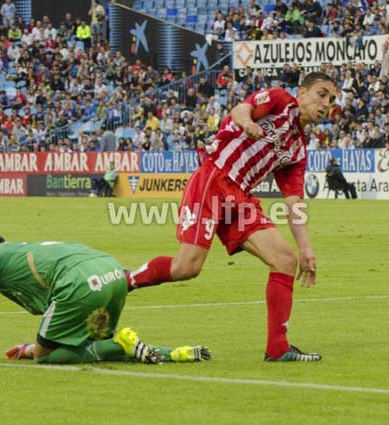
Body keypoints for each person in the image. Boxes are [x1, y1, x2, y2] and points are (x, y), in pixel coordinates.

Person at [126, 72, 340, 362]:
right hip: (213, 179)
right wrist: (248, 122)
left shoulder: (297, 150)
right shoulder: (279, 101)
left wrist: (306, 249)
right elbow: (241, 109)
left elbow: (294, 204)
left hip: (240, 198)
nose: (326, 103)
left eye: (332, 99)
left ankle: (278, 349)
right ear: (302, 92)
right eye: (322, 94)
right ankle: (125, 280)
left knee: (286, 260)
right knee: (186, 267)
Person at [0, 234, 211, 365]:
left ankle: (122, 341)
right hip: (111, 274)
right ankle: (176, 353)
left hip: (79, 286)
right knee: (94, 346)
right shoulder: (23, 250)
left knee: (46, 358)